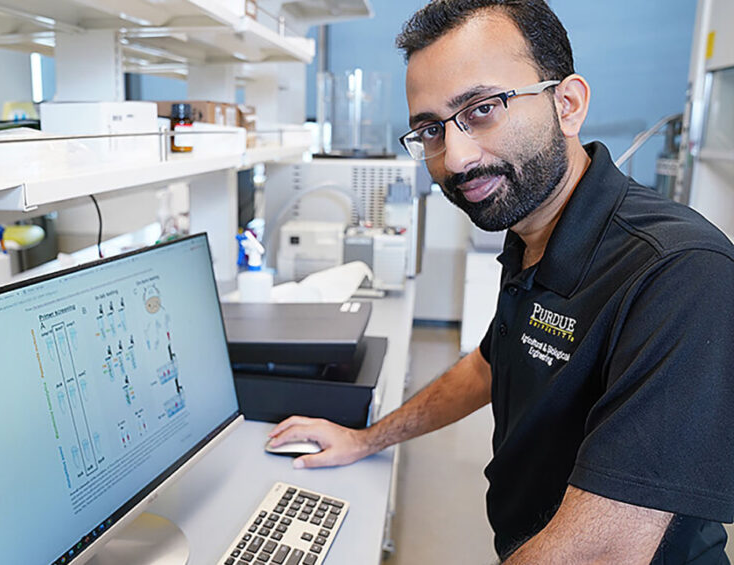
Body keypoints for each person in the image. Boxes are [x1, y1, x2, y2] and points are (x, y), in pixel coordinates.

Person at [268, 1, 734, 562]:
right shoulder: (533, 226)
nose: (458, 158)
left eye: (483, 108)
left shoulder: (680, 273)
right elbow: (488, 365)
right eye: (432, 130)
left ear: (567, 104)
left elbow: (599, 553)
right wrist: (366, 439)